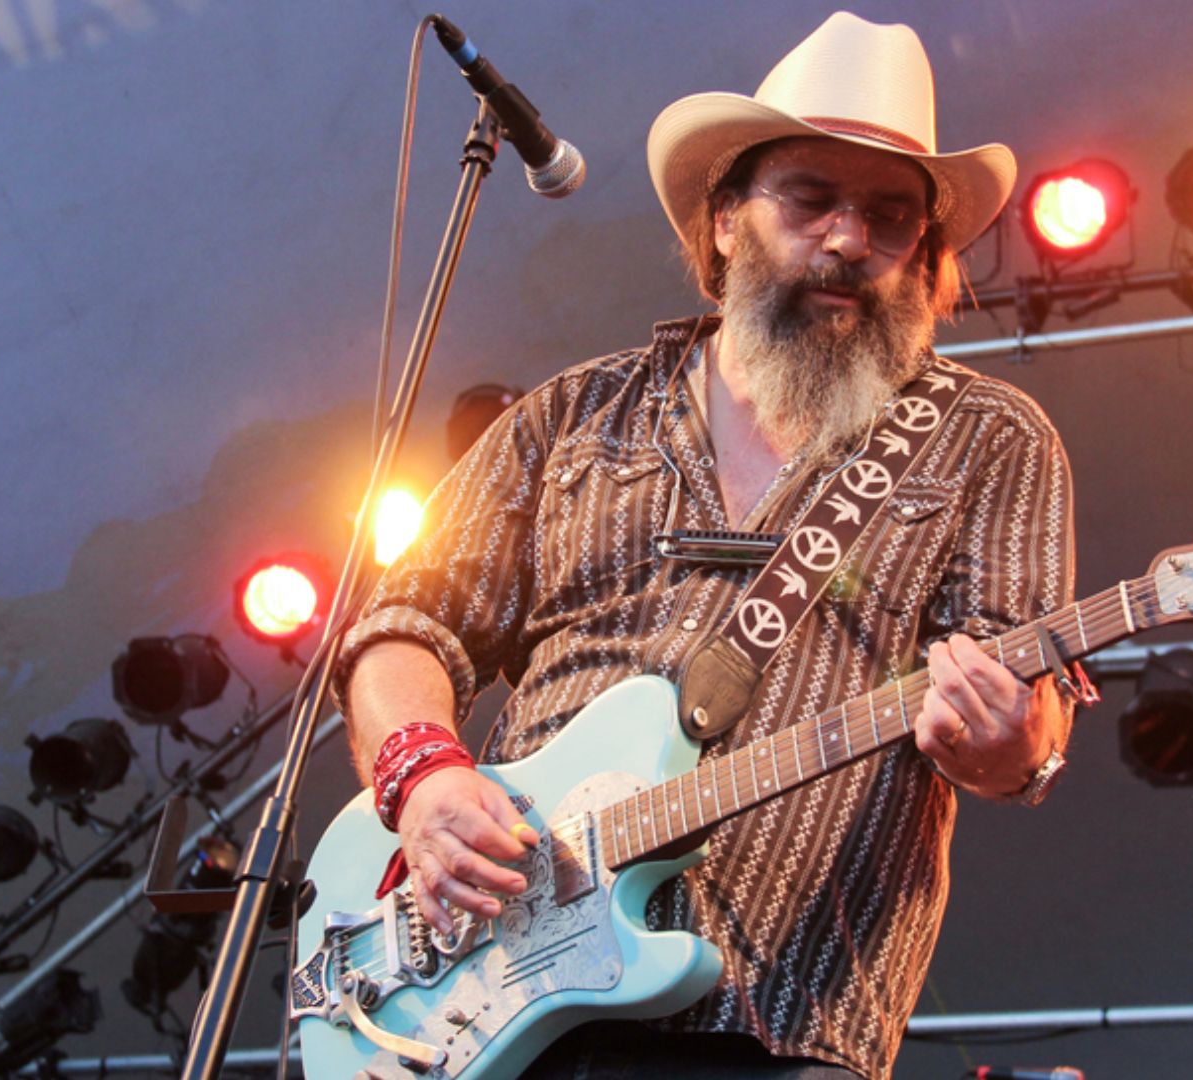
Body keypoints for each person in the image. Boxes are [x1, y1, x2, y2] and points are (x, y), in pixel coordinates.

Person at [334, 12, 1075, 1079]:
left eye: (889, 215)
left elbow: (1022, 721)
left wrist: (1014, 745)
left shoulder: (988, 438)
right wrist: (427, 780)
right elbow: (404, 623)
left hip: (775, 1023)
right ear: (726, 219)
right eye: (811, 199)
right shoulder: (574, 414)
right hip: (474, 996)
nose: (848, 239)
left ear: (924, 250)